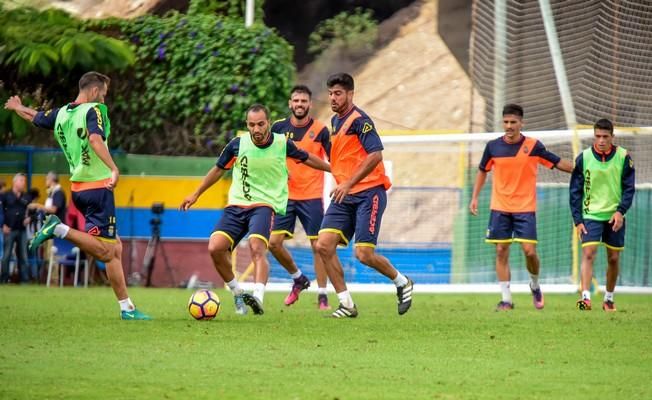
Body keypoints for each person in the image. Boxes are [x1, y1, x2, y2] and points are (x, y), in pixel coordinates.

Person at [4, 71, 151, 320]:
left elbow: (35, 117)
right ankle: (58, 229)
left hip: (79, 189)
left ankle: (127, 308)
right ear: (94, 92)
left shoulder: (62, 113)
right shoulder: (94, 110)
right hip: (98, 187)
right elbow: (95, 139)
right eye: (103, 94)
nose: (103, 100)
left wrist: (18, 106)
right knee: (106, 251)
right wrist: (114, 168)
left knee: (115, 248)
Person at [180, 104, 330, 315]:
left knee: (257, 246)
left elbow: (307, 158)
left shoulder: (282, 143)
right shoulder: (237, 144)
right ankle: (238, 294)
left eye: (260, 124)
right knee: (215, 247)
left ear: (268, 123)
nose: (256, 129)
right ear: (247, 125)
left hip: (265, 205)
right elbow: (217, 170)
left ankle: (258, 297)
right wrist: (195, 194)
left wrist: (334, 169)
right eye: (252, 125)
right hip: (237, 205)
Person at [315, 72, 414, 319]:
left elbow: (375, 155)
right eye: (330, 94)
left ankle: (402, 282)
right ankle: (346, 304)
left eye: (338, 93)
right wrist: (341, 182)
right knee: (323, 246)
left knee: (363, 255)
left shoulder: (361, 121)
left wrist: (347, 183)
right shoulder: (335, 122)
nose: (333, 98)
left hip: (370, 193)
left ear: (350, 94)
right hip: (344, 195)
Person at [469, 104, 573, 311]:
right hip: (500, 207)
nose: (509, 126)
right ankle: (506, 300)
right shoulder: (493, 147)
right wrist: (474, 197)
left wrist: (582, 170)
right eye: (506, 122)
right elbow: (482, 171)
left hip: (525, 207)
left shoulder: (533, 146)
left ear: (521, 123)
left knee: (529, 252)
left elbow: (558, 162)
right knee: (501, 251)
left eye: (513, 122)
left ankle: (534, 284)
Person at [269, 85, 332, 309]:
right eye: (296, 101)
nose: (299, 105)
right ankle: (298, 279)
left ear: (310, 104)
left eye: (303, 101)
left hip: (312, 197)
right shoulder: (277, 128)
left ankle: (323, 295)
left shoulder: (321, 130)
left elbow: (334, 160)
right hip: (285, 196)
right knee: (274, 244)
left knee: (319, 247)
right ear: (290, 103)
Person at [570, 119, 635, 312]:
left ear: (612, 137)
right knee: (588, 254)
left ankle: (608, 299)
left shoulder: (624, 157)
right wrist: (577, 220)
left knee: (613, 258)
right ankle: (585, 299)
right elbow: (575, 191)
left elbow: (629, 189)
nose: (601, 140)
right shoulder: (583, 158)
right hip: (590, 215)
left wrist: (620, 211)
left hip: (614, 215)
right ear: (594, 136)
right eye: (598, 136)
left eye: (605, 136)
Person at [0, 173, 32, 283]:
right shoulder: (5, 195)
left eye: (24, 181)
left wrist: (29, 219)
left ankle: (24, 280)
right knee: (6, 255)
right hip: (9, 229)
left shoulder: (27, 197)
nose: (24, 183)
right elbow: (0, 212)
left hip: (22, 230)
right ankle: (4, 279)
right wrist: (2, 225)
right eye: (22, 181)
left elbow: (32, 212)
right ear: (15, 182)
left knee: (23, 255)